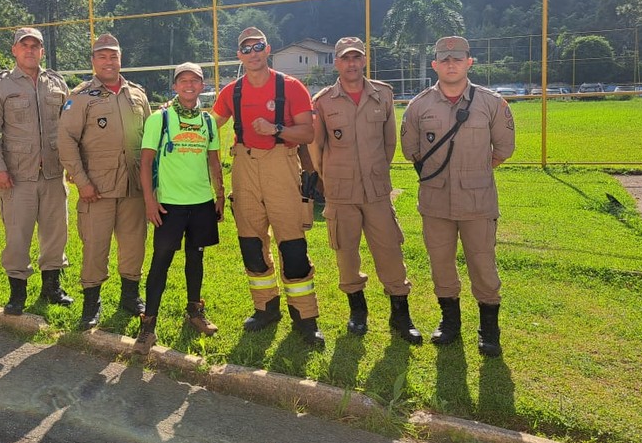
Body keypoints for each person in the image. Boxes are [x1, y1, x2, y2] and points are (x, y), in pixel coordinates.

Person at [401, 36, 515, 357]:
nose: (451, 64)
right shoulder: (418, 106)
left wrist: (472, 173)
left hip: (477, 203)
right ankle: (449, 322)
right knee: (441, 264)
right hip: (436, 203)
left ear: (469, 63)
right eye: (444, 59)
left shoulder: (492, 104)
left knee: (483, 264)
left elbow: (502, 150)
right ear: (435, 65)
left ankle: (488, 330)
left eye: (457, 58)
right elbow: (412, 151)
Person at [211, 27, 324, 346]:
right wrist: (175, 116)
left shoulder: (291, 86)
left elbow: (307, 134)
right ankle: (265, 308)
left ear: (268, 49)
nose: (253, 52)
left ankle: (305, 317)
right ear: (239, 56)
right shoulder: (231, 91)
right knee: (250, 243)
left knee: (292, 245)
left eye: (258, 46)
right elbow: (208, 125)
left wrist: (277, 127)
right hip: (244, 167)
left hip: (281, 163)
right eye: (246, 49)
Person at [310, 37, 422, 343]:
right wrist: (332, 177)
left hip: (376, 190)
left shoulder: (382, 94)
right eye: (346, 58)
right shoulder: (324, 100)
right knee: (346, 252)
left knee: (389, 249)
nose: (352, 64)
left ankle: (401, 314)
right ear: (336, 63)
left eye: (357, 58)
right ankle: (357, 312)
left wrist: (376, 173)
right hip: (340, 191)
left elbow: (389, 143)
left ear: (364, 61)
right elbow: (317, 148)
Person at [58, 33, 151, 328]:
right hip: (96, 188)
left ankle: (129, 296)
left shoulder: (137, 94)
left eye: (113, 56)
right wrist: (82, 181)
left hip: (133, 186)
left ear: (120, 59)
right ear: (93, 61)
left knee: (134, 244)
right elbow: (66, 140)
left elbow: (150, 140)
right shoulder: (81, 95)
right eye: (102, 56)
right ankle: (91, 302)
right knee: (95, 246)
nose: (109, 61)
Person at [134, 62, 225, 355]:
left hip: (200, 204)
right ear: (175, 86)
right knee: (160, 262)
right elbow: (145, 163)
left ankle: (194, 311)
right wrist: (150, 201)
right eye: (183, 80)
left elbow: (213, 161)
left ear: (202, 85)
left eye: (195, 81)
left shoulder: (208, 121)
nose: (189, 85)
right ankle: (148, 325)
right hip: (169, 206)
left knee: (195, 259)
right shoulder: (160, 119)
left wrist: (219, 195)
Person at [0, 27, 71, 315]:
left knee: (56, 233)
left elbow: (69, 126)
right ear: (14, 50)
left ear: (42, 51)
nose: (30, 50)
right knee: (17, 235)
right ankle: (17, 293)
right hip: (17, 176)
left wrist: (72, 163)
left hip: (54, 173)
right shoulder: (1, 86)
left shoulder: (56, 83)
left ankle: (51, 288)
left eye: (35, 46)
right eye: (25, 45)